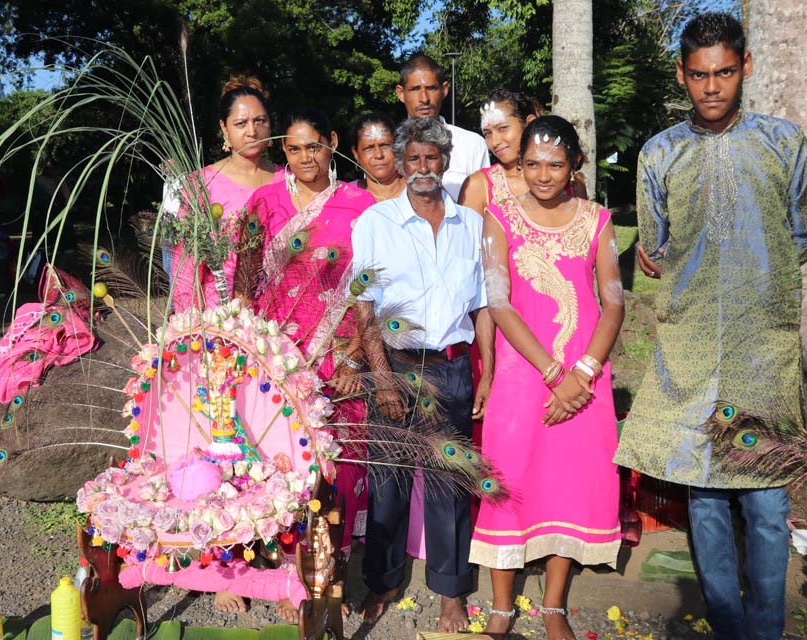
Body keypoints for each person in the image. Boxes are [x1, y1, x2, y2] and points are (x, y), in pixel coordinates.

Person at [615, 13, 807, 640]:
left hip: (764, 347)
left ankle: (766, 629)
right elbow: (654, 243)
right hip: (691, 348)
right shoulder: (660, 152)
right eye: (699, 75)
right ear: (682, 75)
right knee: (702, 493)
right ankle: (728, 625)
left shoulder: (786, 143)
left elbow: (802, 236)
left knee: (766, 498)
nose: (711, 87)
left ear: (745, 67)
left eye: (724, 72)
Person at [472, 115, 623, 640]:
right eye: (532, 162)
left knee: (570, 485)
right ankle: (501, 607)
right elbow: (498, 301)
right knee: (509, 482)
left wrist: (580, 375)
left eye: (555, 164)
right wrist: (554, 372)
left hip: (585, 383)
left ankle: (553, 604)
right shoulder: (499, 217)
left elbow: (613, 305)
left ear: (574, 165)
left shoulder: (598, 220)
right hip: (522, 378)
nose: (542, 174)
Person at [231, 108, 375, 620]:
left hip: (337, 355)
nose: (305, 158)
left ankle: (329, 570)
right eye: (293, 149)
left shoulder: (359, 204)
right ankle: (286, 571)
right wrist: (246, 343)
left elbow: (373, 283)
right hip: (277, 354)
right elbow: (245, 281)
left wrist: (355, 349)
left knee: (337, 460)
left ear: (332, 143)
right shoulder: (264, 201)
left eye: (313, 146)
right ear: (283, 152)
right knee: (279, 459)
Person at [350, 116, 489, 633]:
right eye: (413, 160)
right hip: (397, 366)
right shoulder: (375, 223)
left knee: (450, 483)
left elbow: (483, 307)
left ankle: (451, 592)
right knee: (387, 481)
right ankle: (382, 582)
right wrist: (382, 377)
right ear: (402, 165)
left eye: (432, 158)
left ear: (445, 162)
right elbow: (363, 306)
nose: (423, 168)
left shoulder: (470, 226)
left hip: (452, 367)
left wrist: (488, 375)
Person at [168, 76, 280, 312]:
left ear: (270, 124)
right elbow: (186, 271)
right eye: (241, 123)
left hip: (283, 316)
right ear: (224, 128)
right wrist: (192, 329)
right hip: (220, 320)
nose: (252, 131)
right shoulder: (201, 184)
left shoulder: (288, 181)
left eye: (260, 121)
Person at [395, 54, 488, 201]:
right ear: (401, 93)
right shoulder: (387, 148)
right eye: (415, 89)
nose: (424, 98)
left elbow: (484, 203)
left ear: (444, 90)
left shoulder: (472, 144)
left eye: (431, 88)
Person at [349, 112, 405, 202]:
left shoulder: (417, 191)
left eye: (385, 145)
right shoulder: (345, 196)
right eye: (369, 148)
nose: (379, 155)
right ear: (356, 154)